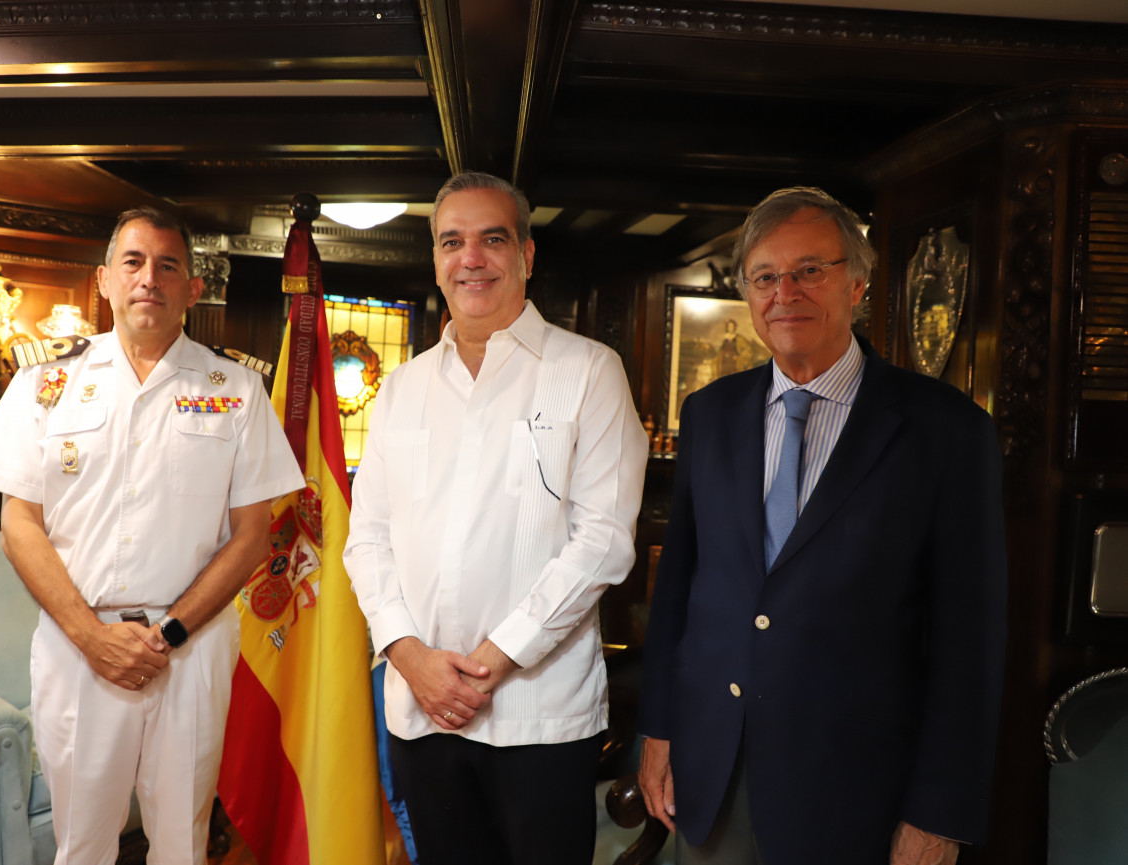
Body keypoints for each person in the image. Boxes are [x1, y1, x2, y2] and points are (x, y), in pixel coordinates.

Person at [637, 187, 1007, 865]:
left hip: (858, 794)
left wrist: (940, 812)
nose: (786, 293)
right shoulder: (710, 413)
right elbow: (679, 595)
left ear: (857, 283)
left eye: (810, 270)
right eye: (766, 277)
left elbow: (970, 645)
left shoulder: (946, 430)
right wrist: (657, 730)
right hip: (712, 773)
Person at [0, 206, 303, 864]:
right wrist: (92, 638)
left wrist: (168, 633)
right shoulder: (45, 383)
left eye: (168, 266)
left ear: (193, 288)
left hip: (191, 650)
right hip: (77, 650)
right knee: (82, 845)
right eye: (134, 262)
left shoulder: (236, 388)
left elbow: (252, 537)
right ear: (105, 280)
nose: (150, 278)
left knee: (182, 844)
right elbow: (18, 525)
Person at [344, 171, 648, 865]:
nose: (471, 258)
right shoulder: (401, 388)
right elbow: (368, 540)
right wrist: (409, 656)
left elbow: (602, 542)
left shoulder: (590, 371)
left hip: (539, 714)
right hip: (421, 709)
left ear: (527, 255)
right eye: (452, 241)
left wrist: (488, 662)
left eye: (493, 239)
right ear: (435, 259)